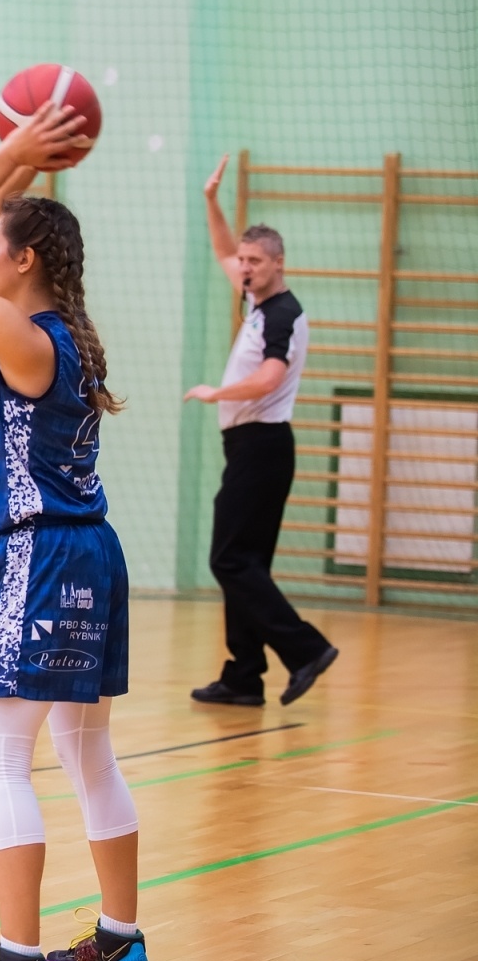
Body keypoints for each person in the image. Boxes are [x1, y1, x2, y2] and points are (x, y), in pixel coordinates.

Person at [0, 105, 150, 961]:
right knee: (89, 753)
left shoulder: (22, 342)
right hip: (94, 550)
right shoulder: (72, 334)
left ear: (25, 262)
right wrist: (18, 175)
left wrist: (10, 150)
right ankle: (119, 947)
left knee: (0, 756)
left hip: (42, 556)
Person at [186, 155, 338, 708]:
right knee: (244, 563)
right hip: (250, 449)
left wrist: (216, 393)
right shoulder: (256, 296)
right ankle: (244, 675)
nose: (243, 267)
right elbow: (224, 250)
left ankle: (305, 650)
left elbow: (270, 376)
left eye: (255, 261)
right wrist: (210, 202)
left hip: (262, 448)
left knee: (228, 560)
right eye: (244, 260)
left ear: (278, 263)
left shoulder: (283, 314)